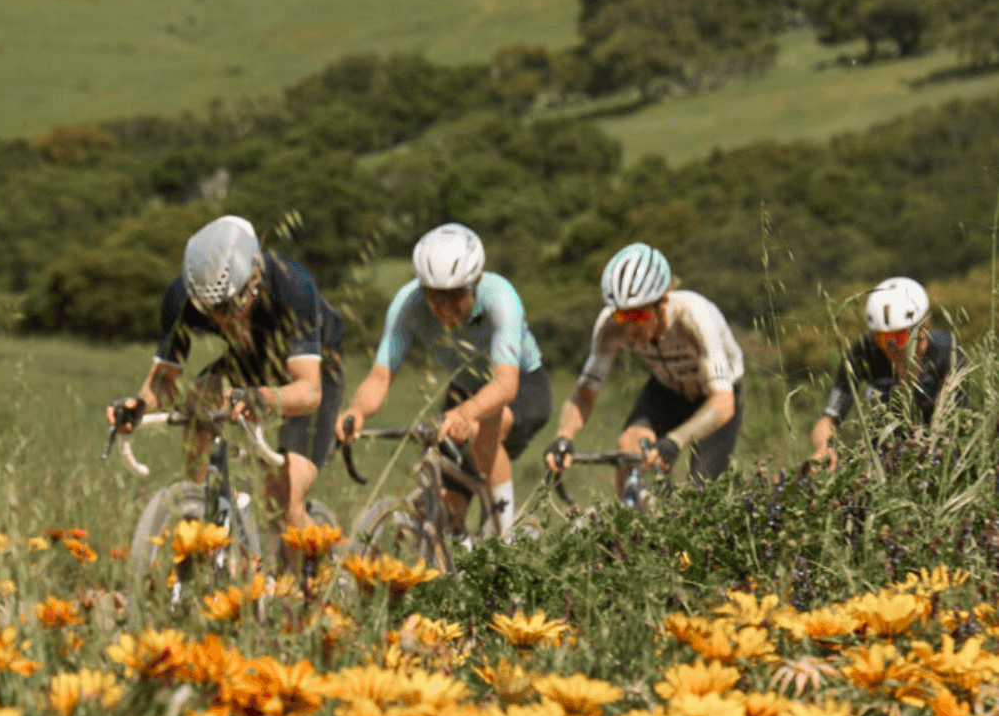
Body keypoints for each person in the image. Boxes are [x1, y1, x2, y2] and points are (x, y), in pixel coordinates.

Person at [109, 214, 343, 541]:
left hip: (312, 369)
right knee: (200, 394)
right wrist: (138, 406)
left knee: (283, 499)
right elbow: (164, 383)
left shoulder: (293, 285)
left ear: (256, 276)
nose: (223, 318)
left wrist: (263, 399)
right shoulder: (181, 298)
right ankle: (205, 510)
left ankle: (321, 584)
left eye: (231, 305)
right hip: (249, 357)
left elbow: (308, 392)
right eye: (211, 310)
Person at [335, 223, 552, 538]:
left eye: (455, 296)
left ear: (475, 283)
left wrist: (466, 413)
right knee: (446, 512)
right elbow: (381, 376)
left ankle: (502, 545)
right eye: (434, 297)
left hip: (522, 385)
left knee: (482, 432)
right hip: (463, 390)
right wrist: (357, 412)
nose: (445, 307)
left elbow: (505, 385)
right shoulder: (407, 303)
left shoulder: (500, 296)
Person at [545, 243, 745, 492]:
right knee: (630, 450)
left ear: (662, 302)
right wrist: (563, 437)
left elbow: (724, 403)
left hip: (715, 398)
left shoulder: (694, 317)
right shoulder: (609, 327)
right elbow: (585, 393)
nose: (629, 328)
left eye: (639, 316)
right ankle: (635, 522)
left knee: (702, 492)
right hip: (666, 390)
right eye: (622, 316)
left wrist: (675, 441)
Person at [808, 278, 956, 469]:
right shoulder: (864, 350)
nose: (890, 345)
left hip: (935, 450)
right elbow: (829, 419)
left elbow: (955, 422)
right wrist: (824, 448)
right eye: (882, 336)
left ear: (925, 327)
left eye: (899, 336)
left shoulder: (946, 351)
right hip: (882, 454)